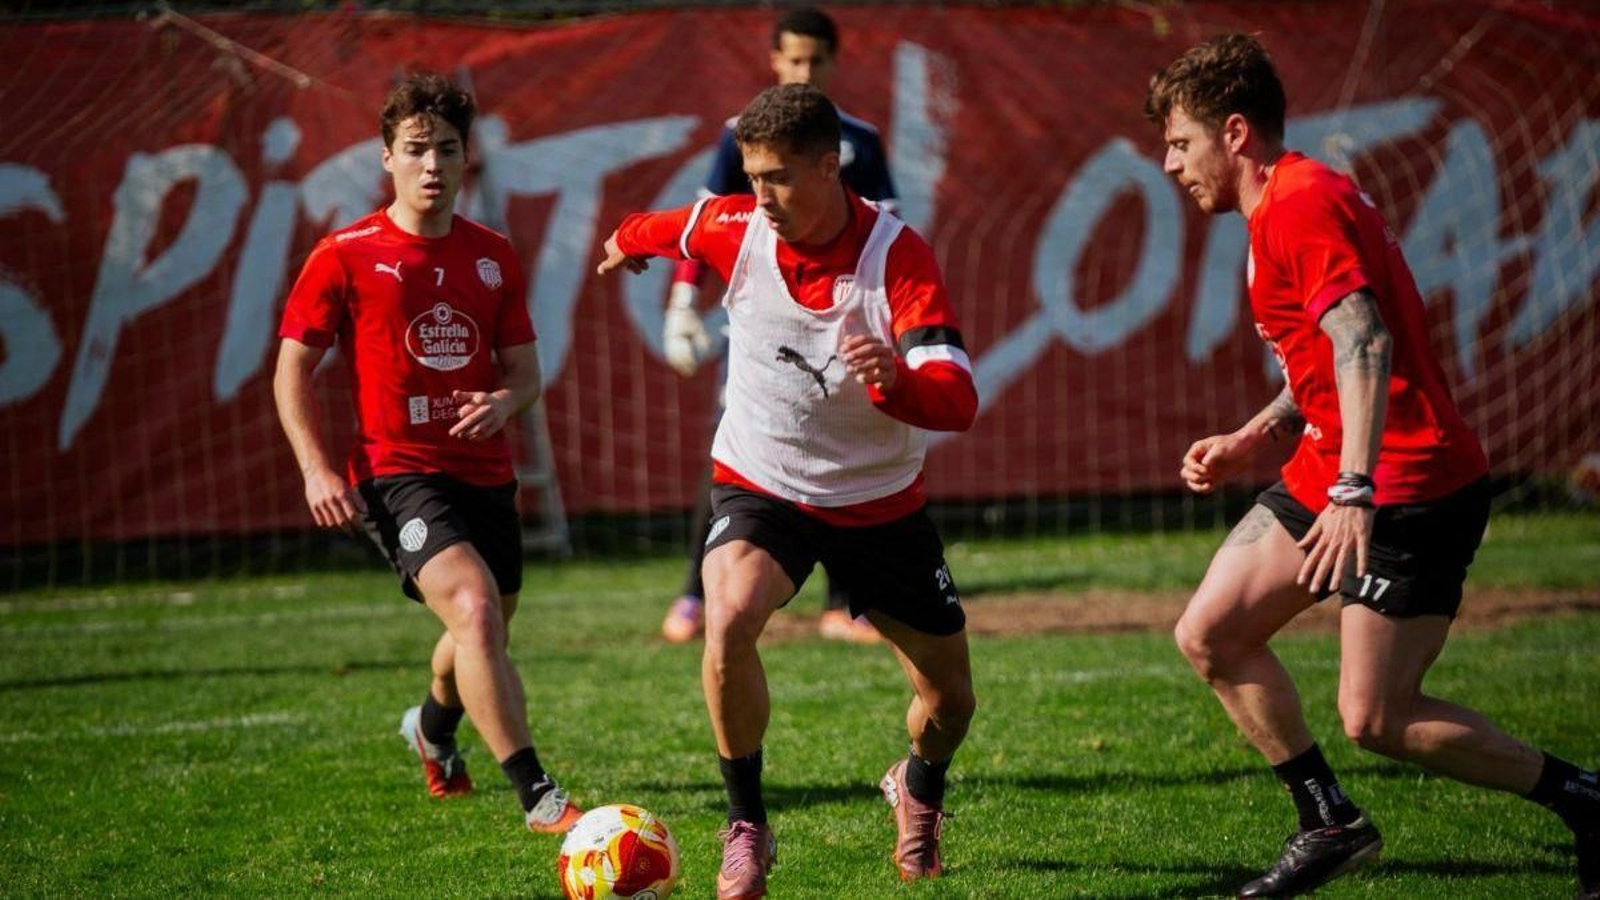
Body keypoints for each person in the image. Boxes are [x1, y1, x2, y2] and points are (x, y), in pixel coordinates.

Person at [1147, 34, 1599, 898]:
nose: (1170, 165)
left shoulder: (1297, 204)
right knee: (1211, 633)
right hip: (1335, 468)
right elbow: (1321, 360)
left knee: (1380, 719)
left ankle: (1585, 799)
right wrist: (1258, 434)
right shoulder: (1282, 199)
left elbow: (1365, 339)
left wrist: (1355, 495)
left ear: (1234, 131)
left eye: (1179, 143)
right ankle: (1331, 824)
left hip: (1409, 486)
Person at [598, 83, 977, 897]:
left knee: (950, 702)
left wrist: (897, 386)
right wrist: (628, 242)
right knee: (727, 615)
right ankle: (747, 828)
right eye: (751, 175)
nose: (760, 195)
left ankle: (916, 786)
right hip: (761, 482)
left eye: (777, 176)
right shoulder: (736, 225)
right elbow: (670, 228)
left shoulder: (896, 255)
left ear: (829, 164)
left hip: (878, 503)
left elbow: (958, 397)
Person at [273, 72, 583, 836]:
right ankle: (538, 793)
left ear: (465, 158)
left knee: (481, 631)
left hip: (486, 475)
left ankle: (433, 730)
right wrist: (315, 469)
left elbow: (525, 374)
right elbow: (290, 368)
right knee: (475, 612)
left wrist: (505, 402)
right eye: (415, 150)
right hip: (395, 473)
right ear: (386, 158)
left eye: (447, 149)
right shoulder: (344, 254)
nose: (432, 164)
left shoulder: (493, 257)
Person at [659, 5, 897, 647]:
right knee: (735, 450)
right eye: (793, 58)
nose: (804, 70)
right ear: (774, 61)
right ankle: (694, 593)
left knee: (846, 449)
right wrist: (683, 306)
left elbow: (889, 234)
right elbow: (703, 226)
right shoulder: (743, 135)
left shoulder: (860, 142)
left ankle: (846, 603)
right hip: (760, 332)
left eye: (815, 59)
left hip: (842, 332)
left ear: (833, 62)